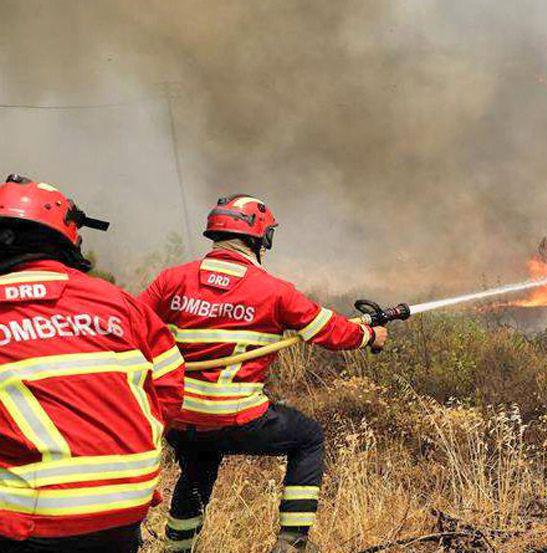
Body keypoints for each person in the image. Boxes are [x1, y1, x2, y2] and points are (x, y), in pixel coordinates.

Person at [139, 194, 388, 553]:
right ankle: (292, 541)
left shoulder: (171, 280)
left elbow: (131, 322)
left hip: (179, 418)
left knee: (197, 466)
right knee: (308, 438)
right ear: (260, 238)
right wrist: (369, 336)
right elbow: (328, 330)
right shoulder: (273, 291)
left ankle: (177, 547)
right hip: (237, 416)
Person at [0, 174, 186, 553]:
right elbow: (168, 385)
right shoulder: (119, 302)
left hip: (30, 519)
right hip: (125, 505)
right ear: (67, 236)